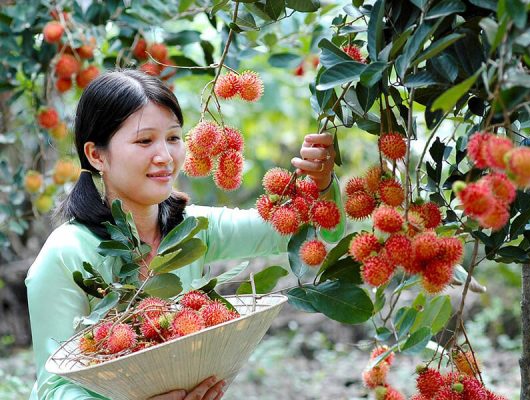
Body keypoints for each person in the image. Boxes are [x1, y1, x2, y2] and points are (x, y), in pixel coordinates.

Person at [25, 69, 342, 400]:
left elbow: (299, 231)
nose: (165, 156)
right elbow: (55, 387)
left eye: (174, 138)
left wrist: (320, 185)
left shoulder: (192, 229)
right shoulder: (65, 254)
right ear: (96, 155)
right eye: (144, 140)